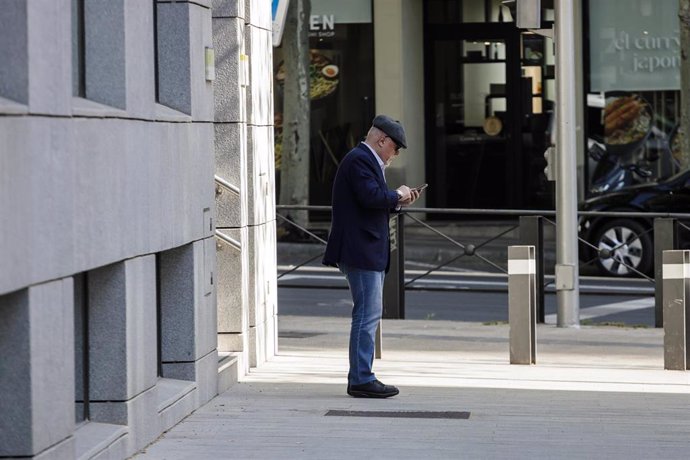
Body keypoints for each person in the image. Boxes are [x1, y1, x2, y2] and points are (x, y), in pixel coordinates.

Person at [323, 115, 421, 398]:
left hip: (365, 249)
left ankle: (362, 376)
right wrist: (396, 194)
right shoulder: (360, 160)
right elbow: (371, 197)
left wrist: (398, 202)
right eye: (396, 147)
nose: (396, 154)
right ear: (382, 141)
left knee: (368, 315)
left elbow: (369, 203)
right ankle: (361, 378)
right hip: (360, 250)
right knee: (366, 316)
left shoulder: (364, 160)